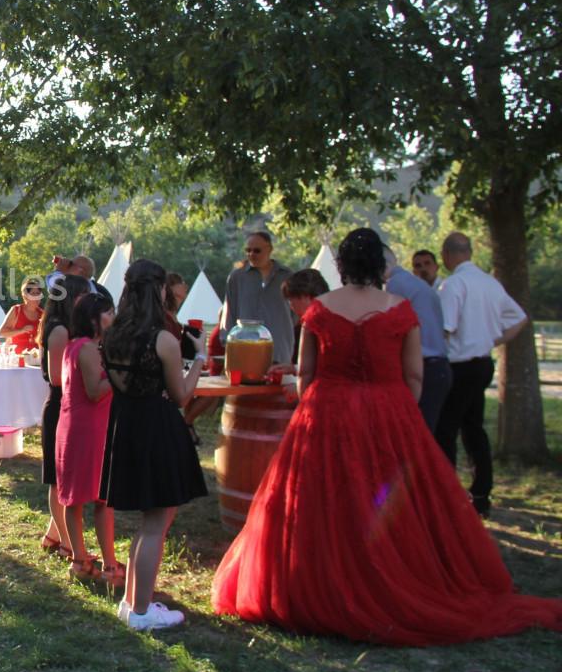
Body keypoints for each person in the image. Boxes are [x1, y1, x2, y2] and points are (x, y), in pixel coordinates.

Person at [213, 228, 562, 644]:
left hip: (328, 409)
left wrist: (314, 407)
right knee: (387, 498)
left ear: (341, 265)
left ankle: (318, 582)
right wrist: (397, 412)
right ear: (380, 264)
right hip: (387, 408)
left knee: (323, 499)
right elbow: (413, 375)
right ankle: (390, 574)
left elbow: (307, 373)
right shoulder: (400, 309)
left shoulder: (321, 310)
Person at [100, 259, 209, 630]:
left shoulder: (113, 334)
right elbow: (181, 396)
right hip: (157, 427)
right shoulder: (162, 338)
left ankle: (133, 602)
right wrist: (201, 358)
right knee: (154, 524)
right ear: (159, 290)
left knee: (147, 524)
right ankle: (143, 612)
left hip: (125, 427)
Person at [435, 232, 528, 517]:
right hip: (483, 362)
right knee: (474, 428)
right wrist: (491, 340)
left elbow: (445, 328)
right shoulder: (491, 283)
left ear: (447, 255)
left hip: (459, 364)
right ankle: (481, 493)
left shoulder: (454, 285)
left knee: (446, 429)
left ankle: (447, 493)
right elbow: (519, 319)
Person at [54, 292, 122, 585]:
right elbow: (95, 391)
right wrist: (121, 373)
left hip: (72, 426)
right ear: (94, 318)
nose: (113, 317)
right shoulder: (89, 349)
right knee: (102, 499)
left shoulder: (72, 346)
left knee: (74, 498)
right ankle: (110, 566)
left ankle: (79, 561)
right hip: (91, 429)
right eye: (108, 313)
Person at [36, 273, 93, 563]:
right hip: (60, 406)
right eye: (84, 294)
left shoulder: (67, 326)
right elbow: (58, 377)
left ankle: (54, 536)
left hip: (68, 405)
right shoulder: (58, 329)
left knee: (63, 478)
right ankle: (69, 545)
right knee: (58, 482)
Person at [383, 247, 451, 434]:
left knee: (417, 438)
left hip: (426, 367)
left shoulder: (396, 286)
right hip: (436, 366)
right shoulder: (413, 284)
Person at [223, 231, 295, 365]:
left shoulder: (287, 276)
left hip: (279, 349)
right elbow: (229, 313)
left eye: (257, 250)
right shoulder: (237, 277)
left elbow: (295, 313)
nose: (251, 254)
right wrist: (227, 341)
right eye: (248, 250)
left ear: (270, 249)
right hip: (245, 349)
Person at [265, 268, 330, 375]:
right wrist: (293, 368)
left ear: (305, 296)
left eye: (291, 301)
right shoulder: (301, 326)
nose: (291, 307)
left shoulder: (326, 323)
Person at [0, 277, 44, 352]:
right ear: (25, 296)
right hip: (17, 357)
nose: (36, 297)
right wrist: (22, 330)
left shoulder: (43, 314)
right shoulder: (16, 310)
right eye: (33, 293)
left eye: (38, 293)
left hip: (36, 358)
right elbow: (2, 332)